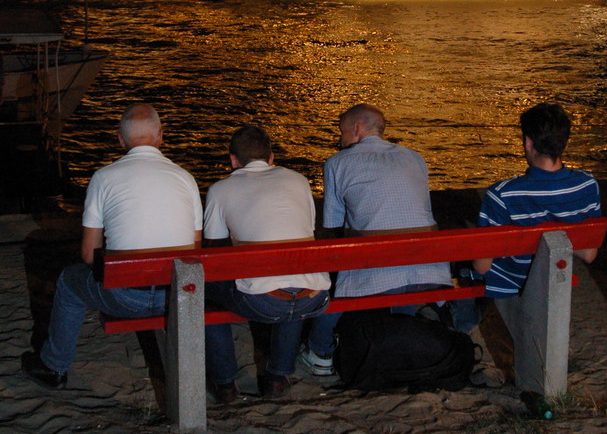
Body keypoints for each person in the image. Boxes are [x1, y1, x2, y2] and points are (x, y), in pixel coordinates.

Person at [21, 103, 203, 389]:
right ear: (161, 137)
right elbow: (194, 250)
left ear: (120, 140)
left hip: (127, 297)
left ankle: (54, 366)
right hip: (178, 294)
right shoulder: (187, 179)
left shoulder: (103, 178)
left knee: (69, 282)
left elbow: (87, 255)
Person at [299, 103, 451, 376]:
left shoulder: (337, 162)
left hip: (380, 267)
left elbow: (333, 224)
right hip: (430, 264)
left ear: (356, 129)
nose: (341, 139)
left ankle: (320, 351)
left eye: (342, 132)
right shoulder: (414, 157)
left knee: (335, 287)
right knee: (396, 260)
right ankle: (402, 335)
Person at [203, 124, 331, 402]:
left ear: (233, 160)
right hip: (315, 296)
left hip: (263, 302)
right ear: (271, 157)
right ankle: (277, 377)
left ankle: (224, 383)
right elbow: (307, 231)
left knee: (202, 293)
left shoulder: (220, 189)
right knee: (292, 276)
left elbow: (212, 251)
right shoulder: (298, 180)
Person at [451, 101, 601, 332]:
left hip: (511, 279)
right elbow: (588, 253)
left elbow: (482, 267)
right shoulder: (587, 185)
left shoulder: (503, 194)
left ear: (528, 142)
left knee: (463, 266)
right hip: (553, 273)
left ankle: (462, 326)